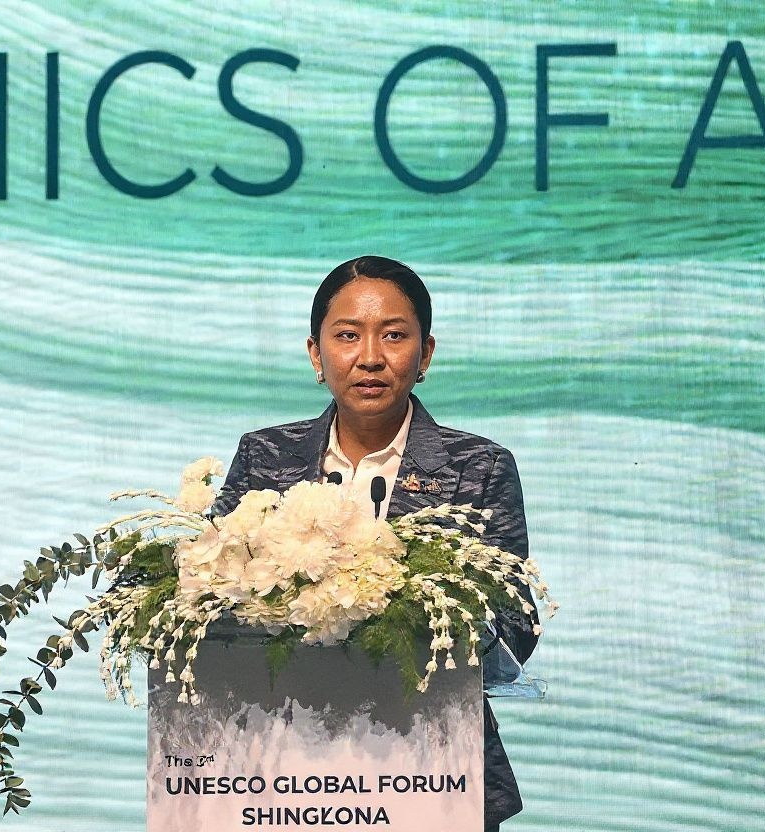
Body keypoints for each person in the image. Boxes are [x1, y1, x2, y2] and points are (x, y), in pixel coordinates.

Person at [208, 255, 539, 829]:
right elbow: (207, 592)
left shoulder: (477, 467)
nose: (369, 357)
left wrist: (412, 626)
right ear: (316, 354)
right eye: (347, 335)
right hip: (280, 767)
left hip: (433, 764)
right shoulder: (266, 457)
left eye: (393, 335)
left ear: (425, 354)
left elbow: (516, 619)